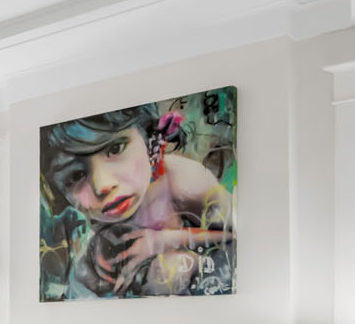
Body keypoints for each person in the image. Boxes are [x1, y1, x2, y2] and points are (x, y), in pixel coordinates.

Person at [39, 102, 234, 298]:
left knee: (170, 271)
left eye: (116, 148)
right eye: (75, 176)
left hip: (201, 280)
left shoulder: (183, 179)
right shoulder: (101, 211)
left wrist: (161, 241)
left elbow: (236, 235)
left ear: (149, 137)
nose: (102, 186)